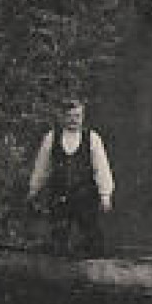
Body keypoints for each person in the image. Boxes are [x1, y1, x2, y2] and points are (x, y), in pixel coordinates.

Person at [27, 98, 114, 257]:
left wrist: (105, 195)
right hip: (59, 197)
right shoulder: (51, 138)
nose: (73, 120)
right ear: (63, 117)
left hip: (85, 196)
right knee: (58, 241)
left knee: (93, 241)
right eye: (69, 116)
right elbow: (42, 167)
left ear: (83, 117)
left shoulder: (92, 138)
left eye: (77, 116)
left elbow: (101, 168)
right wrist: (34, 190)